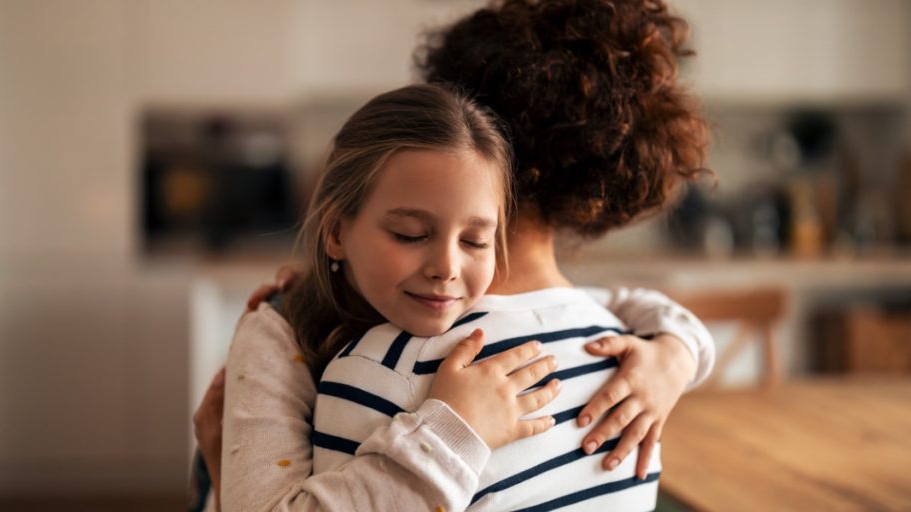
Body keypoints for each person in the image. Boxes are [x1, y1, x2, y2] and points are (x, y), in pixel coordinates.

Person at [193, 0, 714, 510]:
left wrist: (682, 351)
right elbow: (619, 301)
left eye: (474, 241)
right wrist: (678, 350)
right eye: (409, 233)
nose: (445, 268)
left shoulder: (385, 366)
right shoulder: (612, 335)